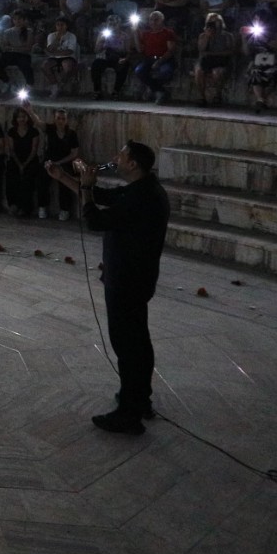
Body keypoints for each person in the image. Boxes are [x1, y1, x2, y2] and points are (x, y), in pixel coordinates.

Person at [48, 141, 171, 434]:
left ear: (133, 165)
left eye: (121, 156)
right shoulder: (144, 188)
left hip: (128, 280)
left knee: (127, 345)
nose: (115, 158)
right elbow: (104, 196)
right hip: (135, 277)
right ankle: (140, 398)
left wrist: (88, 188)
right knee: (138, 341)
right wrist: (64, 177)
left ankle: (129, 414)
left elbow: (96, 219)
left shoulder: (142, 198)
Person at [2, 106, 41, 218]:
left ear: (27, 118)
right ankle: (13, 204)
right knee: (11, 176)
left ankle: (25, 207)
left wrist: (25, 164)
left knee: (27, 179)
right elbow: (12, 150)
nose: (21, 119)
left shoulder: (34, 132)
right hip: (16, 159)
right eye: (19, 117)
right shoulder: (12, 131)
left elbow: (34, 150)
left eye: (23, 117)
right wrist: (19, 164)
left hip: (30, 160)